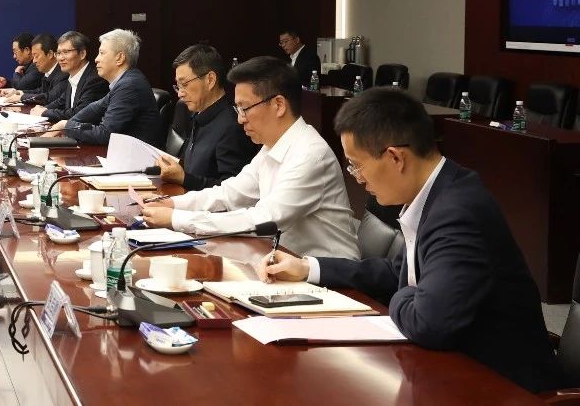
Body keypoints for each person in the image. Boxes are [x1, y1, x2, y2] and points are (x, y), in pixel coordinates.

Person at [264, 87, 564, 393]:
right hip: (454, 368)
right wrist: (308, 268)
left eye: (357, 165)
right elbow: (399, 272)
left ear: (396, 157)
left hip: (504, 387)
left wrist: (403, 294)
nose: (357, 177)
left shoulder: (456, 213)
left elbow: (428, 322)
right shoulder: (438, 190)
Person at [140, 56, 359, 259]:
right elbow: (230, 194)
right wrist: (172, 203)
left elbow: (262, 219)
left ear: (278, 105)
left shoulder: (310, 155)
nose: (240, 119)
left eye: (245, 108)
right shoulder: (271, 146)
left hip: (328, 276)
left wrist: (176, 218)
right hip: (283, 261)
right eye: (238, 109)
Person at [155, 44, 257, 191]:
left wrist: (184, 178)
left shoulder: (232, 126)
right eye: (178, 86)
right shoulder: (198, 114)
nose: (180, 93)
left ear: (210, 80)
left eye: (184, 84)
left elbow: (233, 192)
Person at [45, 29, 161, 146]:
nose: (96, 59)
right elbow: (94, 108)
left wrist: (66, 126)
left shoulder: (129, 85)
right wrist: (65, 124)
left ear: (120, 58)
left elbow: (106, 134)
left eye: (102, 53)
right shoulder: (124, 82)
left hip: (138, 155)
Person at [32, 31, 108, 122]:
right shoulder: (73, 75)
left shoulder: (95, 80)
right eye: (58, 53)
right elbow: (61, 101)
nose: (60, 58)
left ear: (82, 54)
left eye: (65, 52)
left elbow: (79, 113)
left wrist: (45, 112)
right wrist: (42, 109)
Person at [4, 33, 66, 107]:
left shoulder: (63, 74)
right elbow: (41, 91)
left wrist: (21, 98)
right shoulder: (48, 72)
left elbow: (49, 97)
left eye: (36, 56)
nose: (34, 61)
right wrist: (19, 92)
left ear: (50, 54)